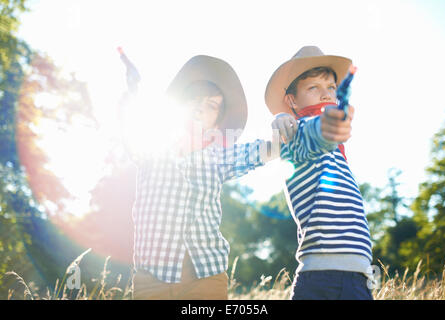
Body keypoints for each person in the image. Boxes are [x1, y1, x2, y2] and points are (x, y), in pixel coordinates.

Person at [118, 54, 279, 300]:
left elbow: (261, 151)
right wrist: (131, 92)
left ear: (217, 123)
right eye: (194, 99)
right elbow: (128, 129)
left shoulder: (219, 157)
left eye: (211, 105)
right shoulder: (151, 149)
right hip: (151, 279)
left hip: (206, 277)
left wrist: (283, 128)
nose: (200, 107)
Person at [267, 46, 373, 300]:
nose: (326, 94)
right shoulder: (299, 133)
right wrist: (331, 123)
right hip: (324, 277)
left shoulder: (337, 151)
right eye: (313, 88)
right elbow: (314, 132)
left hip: (359, 275)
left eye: (331, 87)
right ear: (292, 100)